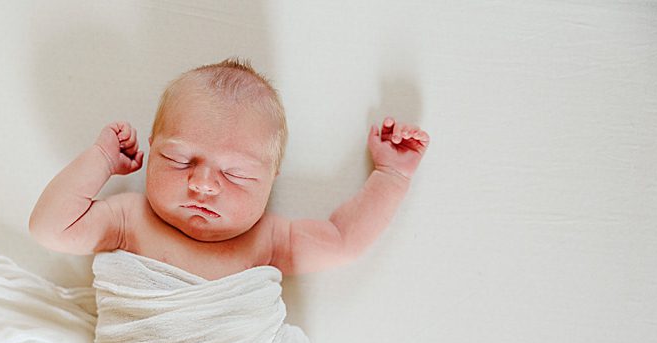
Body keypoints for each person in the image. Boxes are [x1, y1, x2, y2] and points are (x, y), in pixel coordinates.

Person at [29, 57, 430, 279]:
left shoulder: (268, 240)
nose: (202, 184)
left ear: (271, 179)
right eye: (179, 159)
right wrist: (101, 160)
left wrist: (391, 176)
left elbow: (344, 240)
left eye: (236, 175)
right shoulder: (129, 220)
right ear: (152, 151)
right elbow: (50, 229)